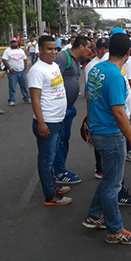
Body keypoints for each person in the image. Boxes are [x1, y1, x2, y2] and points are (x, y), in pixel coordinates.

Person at [83, 33, 131, 244]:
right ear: (128, 52)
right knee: (113, 185)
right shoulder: (116, 76)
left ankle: (94, 215)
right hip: (111, 134)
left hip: (99, 130)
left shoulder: (97, 69)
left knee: (109, 179)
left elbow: (90, 99)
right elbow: (119, 112)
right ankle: (115, 230)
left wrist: (90, 126)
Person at [28, 35, 71, 206]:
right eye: (49, 49)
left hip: (58, 119)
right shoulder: (37, 70)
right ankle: (50, 195)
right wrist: (41, 123)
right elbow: (35, 99)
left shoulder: (53, 66)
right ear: (40, 50)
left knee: (52, 157)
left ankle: (52, 185)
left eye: (55, 49)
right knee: (46, 159)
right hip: (47, 122)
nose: (53, 52)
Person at [53, 35, 92, 185]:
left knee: (63, 140)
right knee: (60, 141)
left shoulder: (76, 60)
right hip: (60, 110)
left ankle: (59, 169)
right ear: (81, 47)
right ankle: (59, 172)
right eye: (88, 47)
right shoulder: (64, 58)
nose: (90, 50)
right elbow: (52, 80)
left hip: (68, 108)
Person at [1, 38, 30, 106]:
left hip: (21, 71)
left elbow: (25, 59)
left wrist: (25, 67)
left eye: (15, 42)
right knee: (12, 87)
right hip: (13, 72)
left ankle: (26, 98)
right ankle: (12, 100)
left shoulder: (21, 51)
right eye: (12, 42)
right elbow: (4, 60)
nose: (14, 44)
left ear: (17, 43)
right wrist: (9, 68)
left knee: (24, 86)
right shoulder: (7, 51)